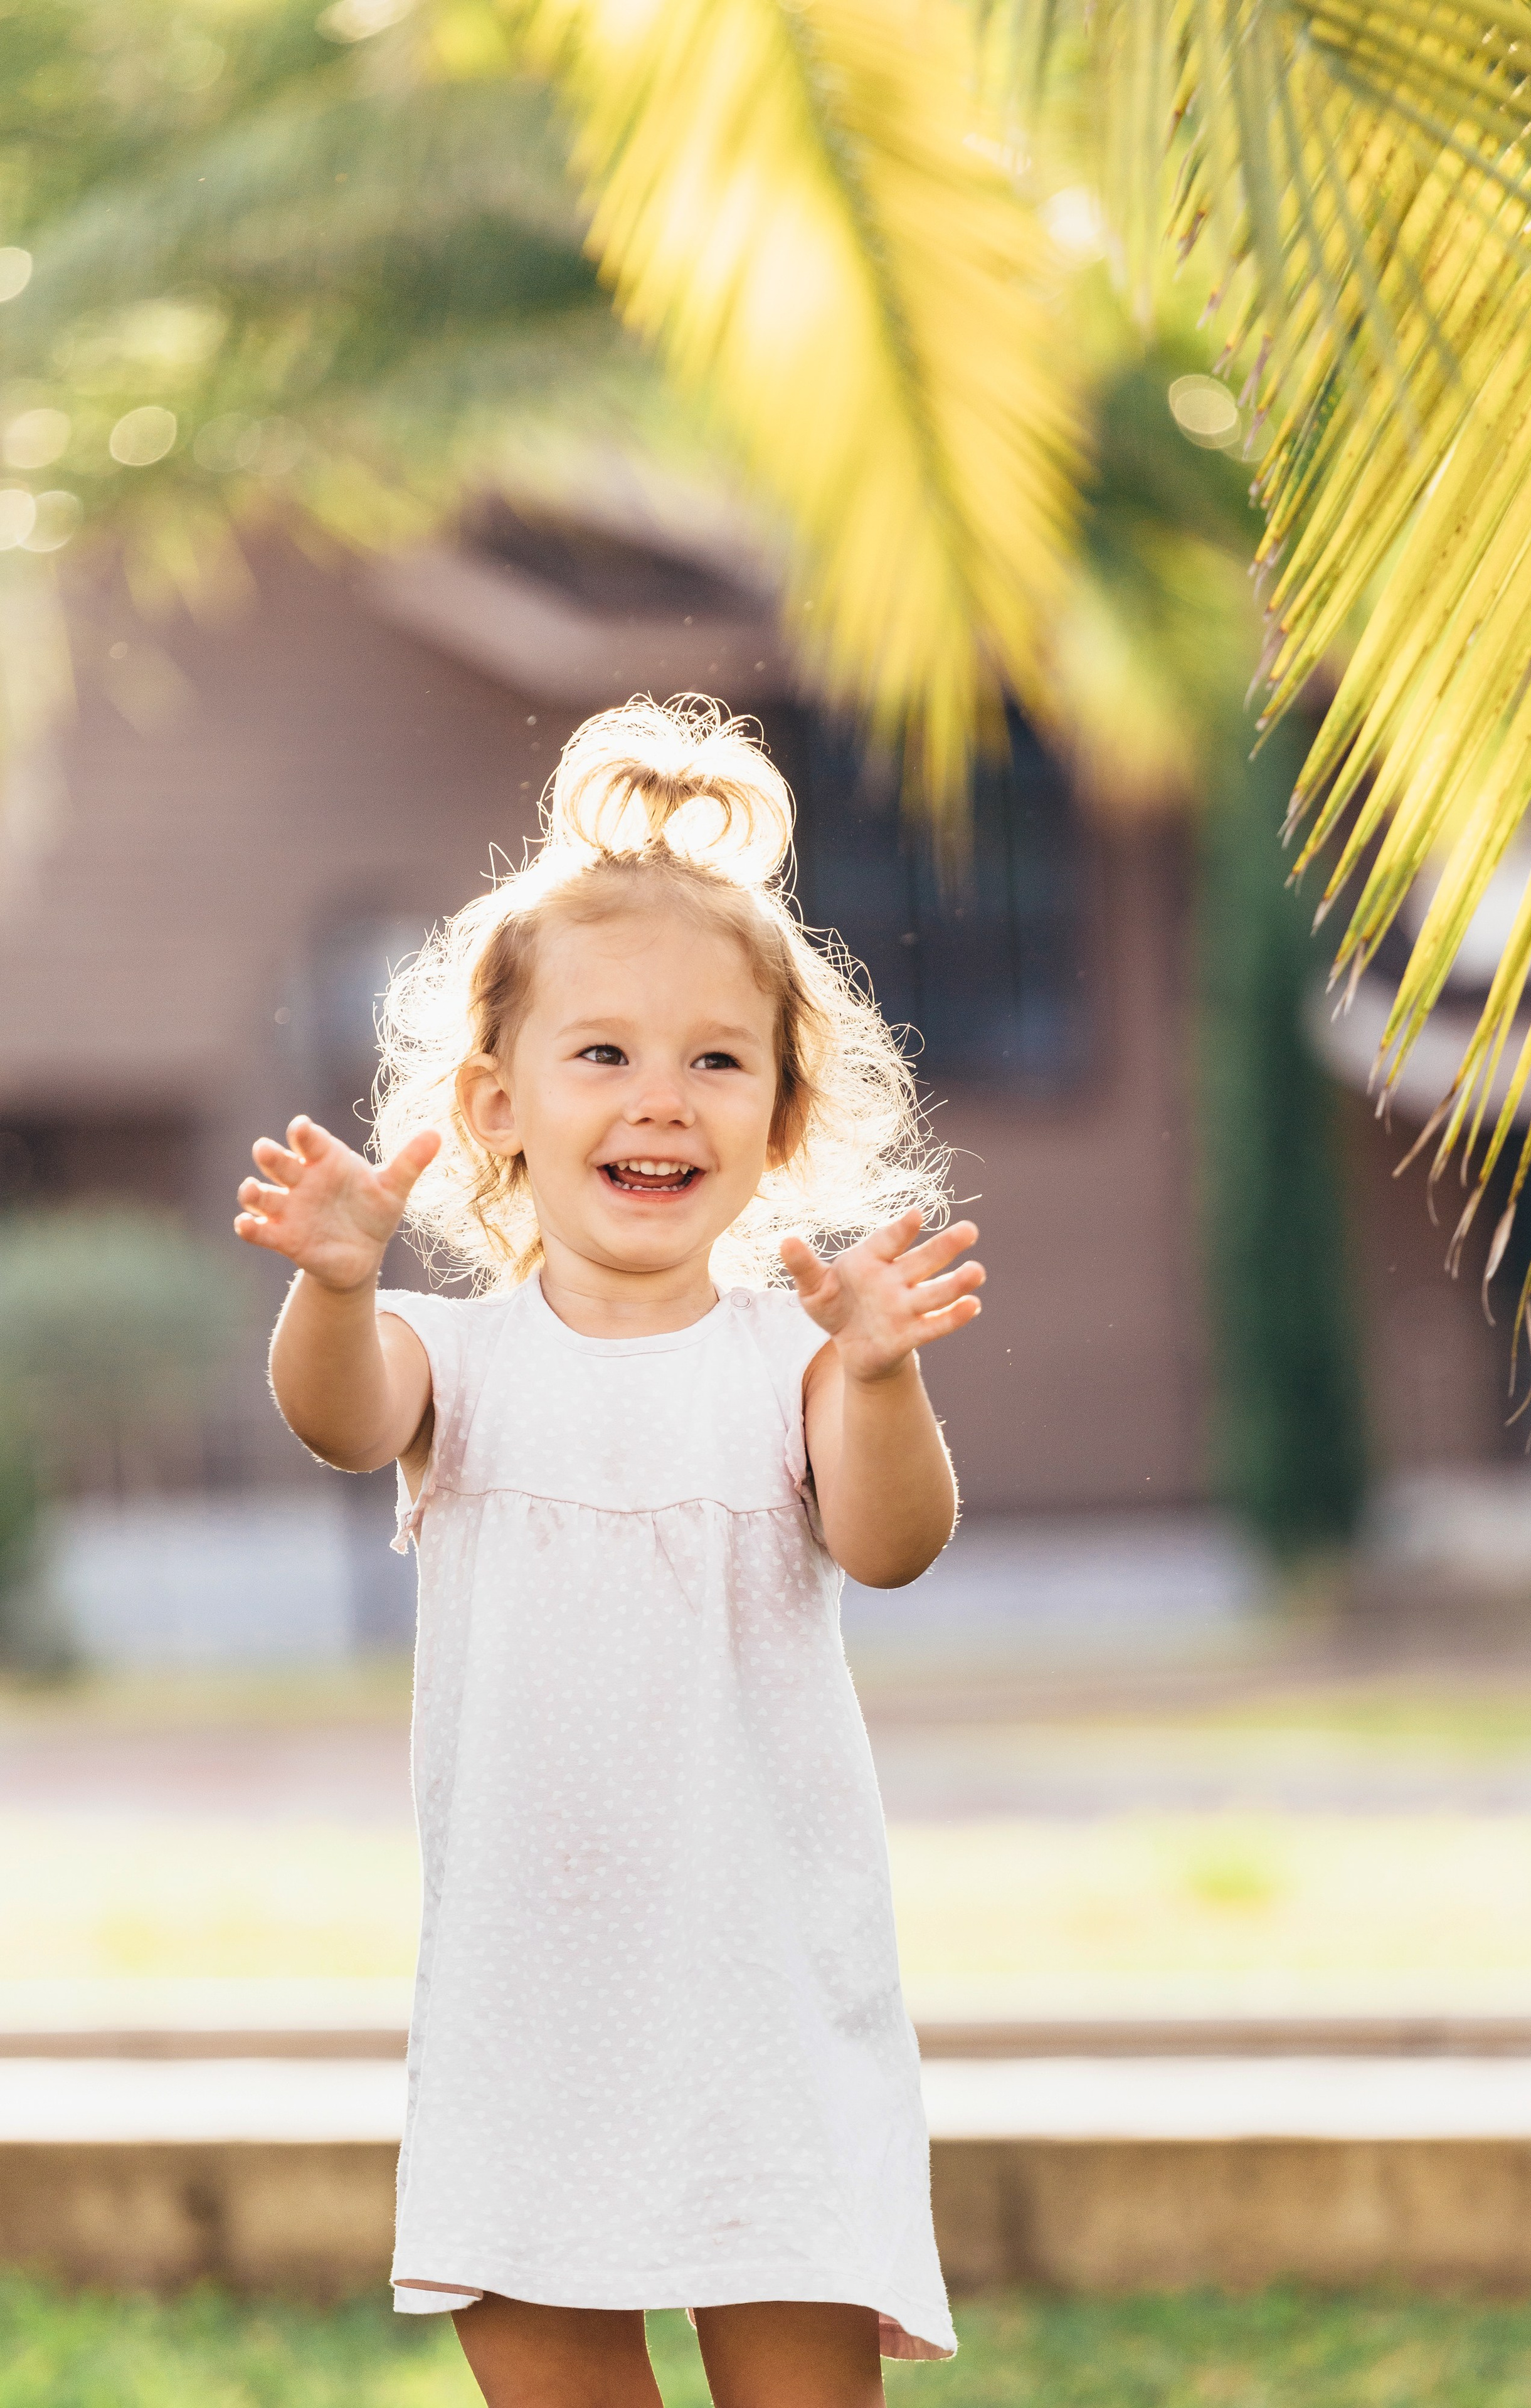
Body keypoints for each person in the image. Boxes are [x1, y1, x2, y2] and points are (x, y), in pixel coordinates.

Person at [235, 697, 985, 2408]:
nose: (664, 1099)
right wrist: (334, 1283)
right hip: (535, 2011)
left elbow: (893, 1543)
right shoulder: (461, 1359)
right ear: (495, 1102)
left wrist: (880, 1375)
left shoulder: (796, 1368)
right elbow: (341, 1419)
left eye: (717, 1059)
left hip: (765, 2006)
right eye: (605, 1055)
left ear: (785, 1116)